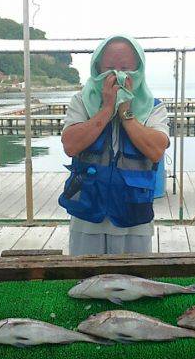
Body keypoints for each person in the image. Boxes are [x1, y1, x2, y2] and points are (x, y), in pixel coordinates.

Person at [59, 34, 169, 255]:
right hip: (87, 218)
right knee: (85, 275)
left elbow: (156, 150)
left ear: (138, 70)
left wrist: (126, 112)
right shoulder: (81, 102)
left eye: (126, 68)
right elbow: (70, 145)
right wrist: (107, 109)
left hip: (135, 218)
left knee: (135, 275)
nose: (118, 75)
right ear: (97, 69)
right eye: (109, 68)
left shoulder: (154, 107)